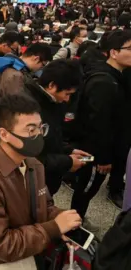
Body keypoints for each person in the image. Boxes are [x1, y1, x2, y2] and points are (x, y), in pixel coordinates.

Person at [0, 94, 82, 269]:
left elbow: (44, 205)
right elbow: (2, 246)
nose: (39, 135)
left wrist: (62, 220)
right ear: (4, 134)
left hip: (31, 250)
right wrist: (53, 228)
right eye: (31, 130)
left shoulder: (33, 163)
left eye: (41, 128)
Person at [71, 30, 131, 223]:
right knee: (87, 187)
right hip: (94, 151)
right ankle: (74, 222)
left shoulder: (117, 76)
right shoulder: (103, 82)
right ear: (114, 52)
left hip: (108, 145)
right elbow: (98, 123)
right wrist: (103, 158)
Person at [24, 59, 91, 196]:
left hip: (48, 179)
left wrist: (68, 150)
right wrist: (67, 162)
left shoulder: (53, 102)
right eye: (67, 94)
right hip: (31, 183)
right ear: (52, 85)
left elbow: (51, 138)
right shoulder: (28, 107)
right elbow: (28, 157)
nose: (67, 99)